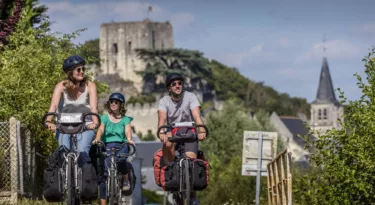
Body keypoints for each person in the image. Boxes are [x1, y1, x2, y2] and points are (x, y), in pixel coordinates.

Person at [157, 73, 207, 205]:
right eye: (173, 84)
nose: (177, 86)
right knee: (167, 143)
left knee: (191, 162)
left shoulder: (190, 97)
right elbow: (162, 119)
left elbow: (196, 116)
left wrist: (201, 130)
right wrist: (162, 131)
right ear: (169, 88)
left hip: (189, 133)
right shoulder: (164, 101)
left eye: (180, 83)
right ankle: (172, 177)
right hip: (172, 133)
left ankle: (193, 196)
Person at [45, 55, 99, 167]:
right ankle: (65, 181)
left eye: (83, 69)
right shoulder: (60, 86)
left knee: (82, 152)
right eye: (78, 69)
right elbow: (53, 106)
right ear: (70, 72)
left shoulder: (90, 86)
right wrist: (49, 121)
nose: (82, 72)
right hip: (64, 126)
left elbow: (93, 107)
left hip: (85, 125)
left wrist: (95, 123)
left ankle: (81, 180)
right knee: (63, 152)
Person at [92, 92, 135, 205]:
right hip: (106, 145)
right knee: (104, 175)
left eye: (116, 102)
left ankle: (125, 179)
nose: (113, 104)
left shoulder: (126, 119)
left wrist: (129, 139)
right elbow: (100, 130)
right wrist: (97, 139)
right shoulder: (104, 118)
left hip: (121, 144)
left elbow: (127, 131)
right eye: (111, 102)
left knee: (121, 160)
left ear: (121, 105)